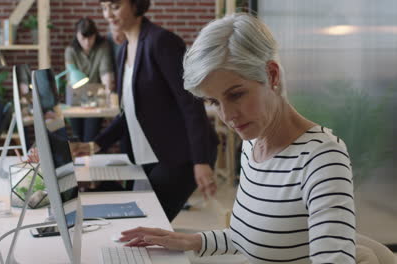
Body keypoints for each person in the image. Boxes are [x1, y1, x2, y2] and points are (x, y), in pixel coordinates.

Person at [117, 14, 357, 263]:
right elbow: (251, 236)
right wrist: (190, 240)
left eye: (236, 94)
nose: (227, 116)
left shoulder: (322, 158)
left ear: (272, 76)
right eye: (214, 102)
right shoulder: (253, 144)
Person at [72, 0, 219, 222]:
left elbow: (191, 104)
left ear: (135, 5)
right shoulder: (123, 51)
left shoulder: (162, 42)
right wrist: (93, 145)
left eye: (114, 6)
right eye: (104, 8)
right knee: (132, 221)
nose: (108, 14)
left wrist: (201, 161)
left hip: (180, 157)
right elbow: (127, 113)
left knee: (145, 225)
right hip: (146, 157)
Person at [64, 17, 115, 142]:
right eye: (83, 38)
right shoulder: (70, 51)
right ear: (77, 35)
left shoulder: (103, 47)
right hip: (75, 100)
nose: (87, 42)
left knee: (90, 138)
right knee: (77, 137)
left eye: (90, 38)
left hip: (96, 100)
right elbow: (72, 78)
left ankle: (90, 161)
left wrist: (108, 92)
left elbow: (106, 74)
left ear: (95, 35)